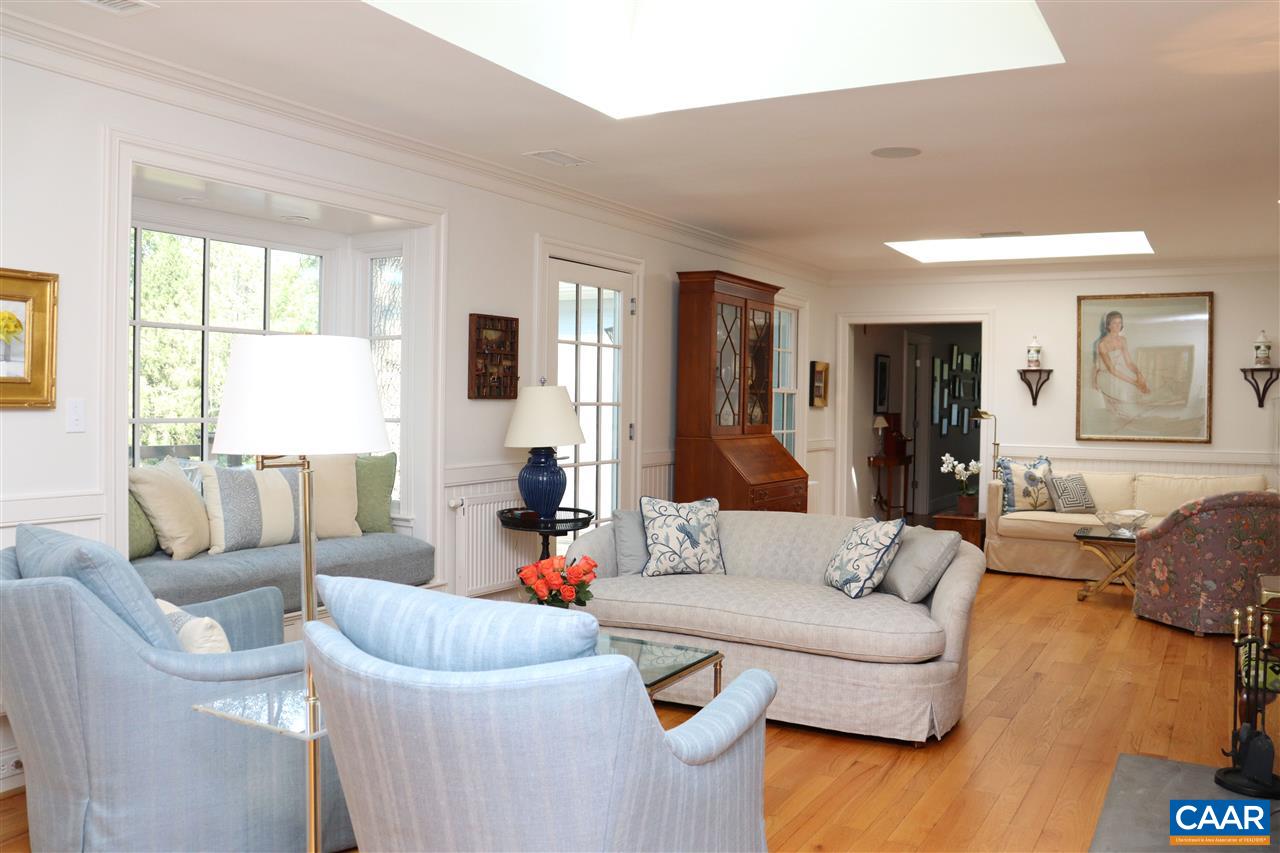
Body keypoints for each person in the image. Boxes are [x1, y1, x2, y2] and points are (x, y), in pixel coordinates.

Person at [1093, 310, 1150, 411]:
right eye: (1114, 323)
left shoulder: (1123, 340)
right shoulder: (1102, 344)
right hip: (1107, 376)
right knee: (1120, 407)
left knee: (1140, 388)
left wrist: (1139, 374)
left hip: (1119, 373)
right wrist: (1135, 383)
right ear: (1109, 325)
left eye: (1120, 322)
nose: (1118, 325)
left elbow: (1129, 363)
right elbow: (1111, 369)